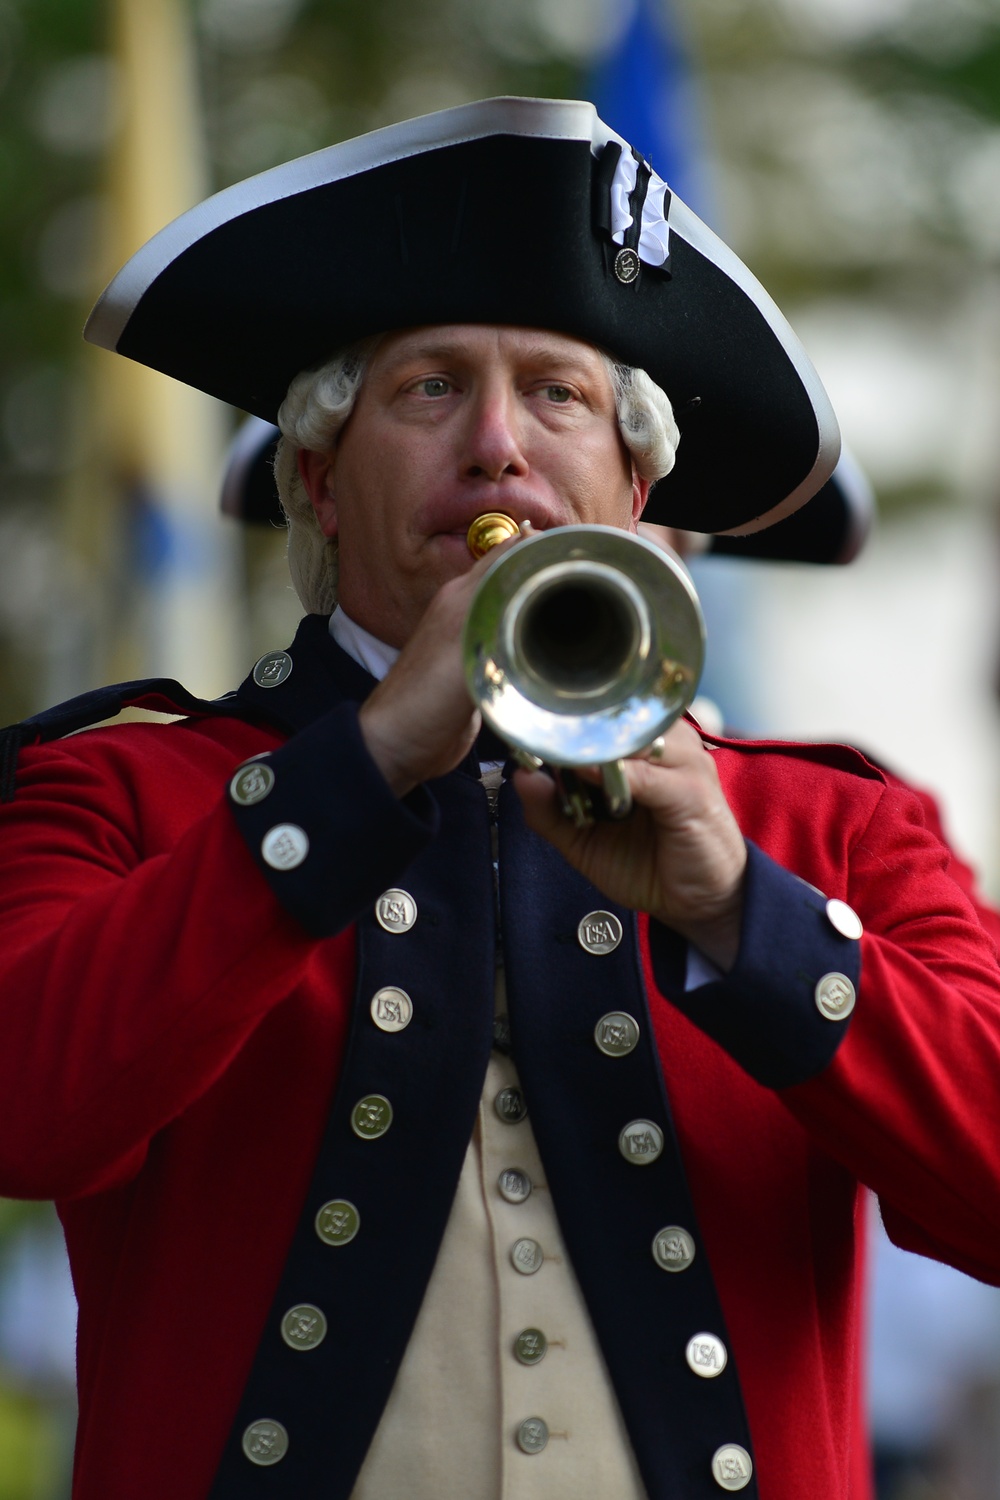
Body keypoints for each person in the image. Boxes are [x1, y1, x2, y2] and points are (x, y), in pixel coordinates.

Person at [2, 97, 999, 1500]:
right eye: (428, 390)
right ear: (316, 482)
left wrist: (742, 916)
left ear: (635, 484)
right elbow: (25, 1113)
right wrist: (355, 774)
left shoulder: (835, 830)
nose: (497, 449)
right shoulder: (115, 790)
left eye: (560, 395)